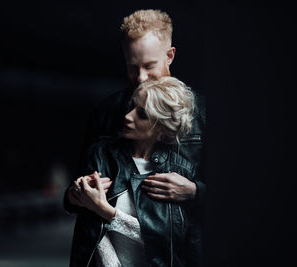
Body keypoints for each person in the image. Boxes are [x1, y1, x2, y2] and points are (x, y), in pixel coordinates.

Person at [64, 9, 205, 266]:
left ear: (170, 56)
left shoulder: (202, 112)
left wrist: (195, 191)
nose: (140, 78)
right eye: (132, 67)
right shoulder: (105, 112)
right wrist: (77, 192)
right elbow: (73, 194)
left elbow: (236, 197)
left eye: (149, 66)